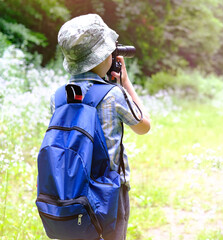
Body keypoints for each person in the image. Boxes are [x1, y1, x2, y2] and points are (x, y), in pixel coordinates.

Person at [54, 13, 151, 240]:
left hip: (69, 189)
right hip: (110, 192)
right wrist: (125, 82)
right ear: (103, 57)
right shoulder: (113, 95)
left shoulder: (58, 96)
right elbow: (144, 125)